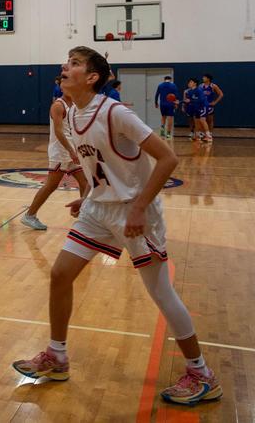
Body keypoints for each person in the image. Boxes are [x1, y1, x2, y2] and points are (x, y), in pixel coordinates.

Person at [12, 46, 221, 407]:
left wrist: (139, 206)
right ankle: (57, 356)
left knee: (160, 292)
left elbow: (167, 158)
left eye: (74, 63)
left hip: (135, 211)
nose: (64, 66)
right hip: (99, 208)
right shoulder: (72, 114)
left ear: (92, 77)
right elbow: (102, 166)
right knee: (60, 274)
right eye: (67, 61)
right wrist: (90, 195)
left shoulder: (115, 112)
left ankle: (201, 373)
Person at [21, 86, 89, 231]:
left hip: (71, 151)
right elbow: (58, 132)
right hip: (60, 151)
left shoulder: (74, 105)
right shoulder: (58, 106)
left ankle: (84, 218)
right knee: (51, 185)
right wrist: (70, 150)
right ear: (63, 89)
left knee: (85, 181)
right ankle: (29, 215)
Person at [183, 78, 211, 142]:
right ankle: (197, 135)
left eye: (191, 82)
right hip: (196, 107)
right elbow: (188, 100)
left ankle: (209, 136)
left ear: (195, 83)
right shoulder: (189, 92)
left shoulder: (199, 90)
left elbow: (201, 100)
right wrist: (179, 102)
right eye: (189, 82)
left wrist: (190, 100)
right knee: (196, 121)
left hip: (203, 106)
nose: (189, 83)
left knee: (202, 120)